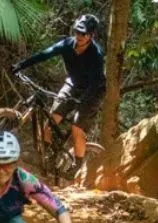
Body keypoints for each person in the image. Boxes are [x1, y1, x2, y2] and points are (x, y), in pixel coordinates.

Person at [11, 14, 105, 178]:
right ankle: (46, 156)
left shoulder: (96, 54)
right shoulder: (67, 45)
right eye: (77, 32)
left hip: (93, 90)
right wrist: (21, 65)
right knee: (50, 120)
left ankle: (76, 166)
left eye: (83, 34)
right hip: (73, 84)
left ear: (91, 35)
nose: (79, 36)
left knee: (77, 127)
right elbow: (44, 54)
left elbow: (96, 82)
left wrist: (83, 101)